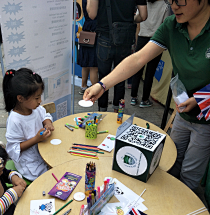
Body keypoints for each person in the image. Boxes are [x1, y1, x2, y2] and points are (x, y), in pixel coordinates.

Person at [84, 0, 210, 193]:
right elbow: (138, 58)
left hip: (206, 120)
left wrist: (201, 99)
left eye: (181, 0)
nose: (174, 6)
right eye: (171, 0)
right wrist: (102, 84)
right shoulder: (171, 25)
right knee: (169, 163)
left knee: (190, 176)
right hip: (182, 112)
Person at [87, 0, 147, 112]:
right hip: (125, 38)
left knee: (103, 78)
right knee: (121, 77)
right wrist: (129, 21)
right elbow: (143, 15)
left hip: (105, 37)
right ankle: (117, 112)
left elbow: (92, 14)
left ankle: (102, 111)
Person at [4, 68, 54, 182]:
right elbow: (13, 149)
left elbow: (44, 114)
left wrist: (47, 122)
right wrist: (36, 139)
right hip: (28, 163)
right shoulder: (15, 120)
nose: (40, 101)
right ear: (20, 98)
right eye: (37, 98)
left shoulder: (35, 108)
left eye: (40, 96)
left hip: (42, 151)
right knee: (50, 178)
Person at [130, 0, 171, 108]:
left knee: (137, 68)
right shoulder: (165, 3)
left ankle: (133, 97)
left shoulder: (144, 2)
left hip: (142, 37)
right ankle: (144, 99)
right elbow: (166, 23)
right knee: (150, 72)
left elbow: (138, 20)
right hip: (157, 40)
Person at [77, 0, 98, 95]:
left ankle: (83, 86)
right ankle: (94, 90)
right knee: (94, 65)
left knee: (85, 62)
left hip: (86, 28)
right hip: (95, 29)